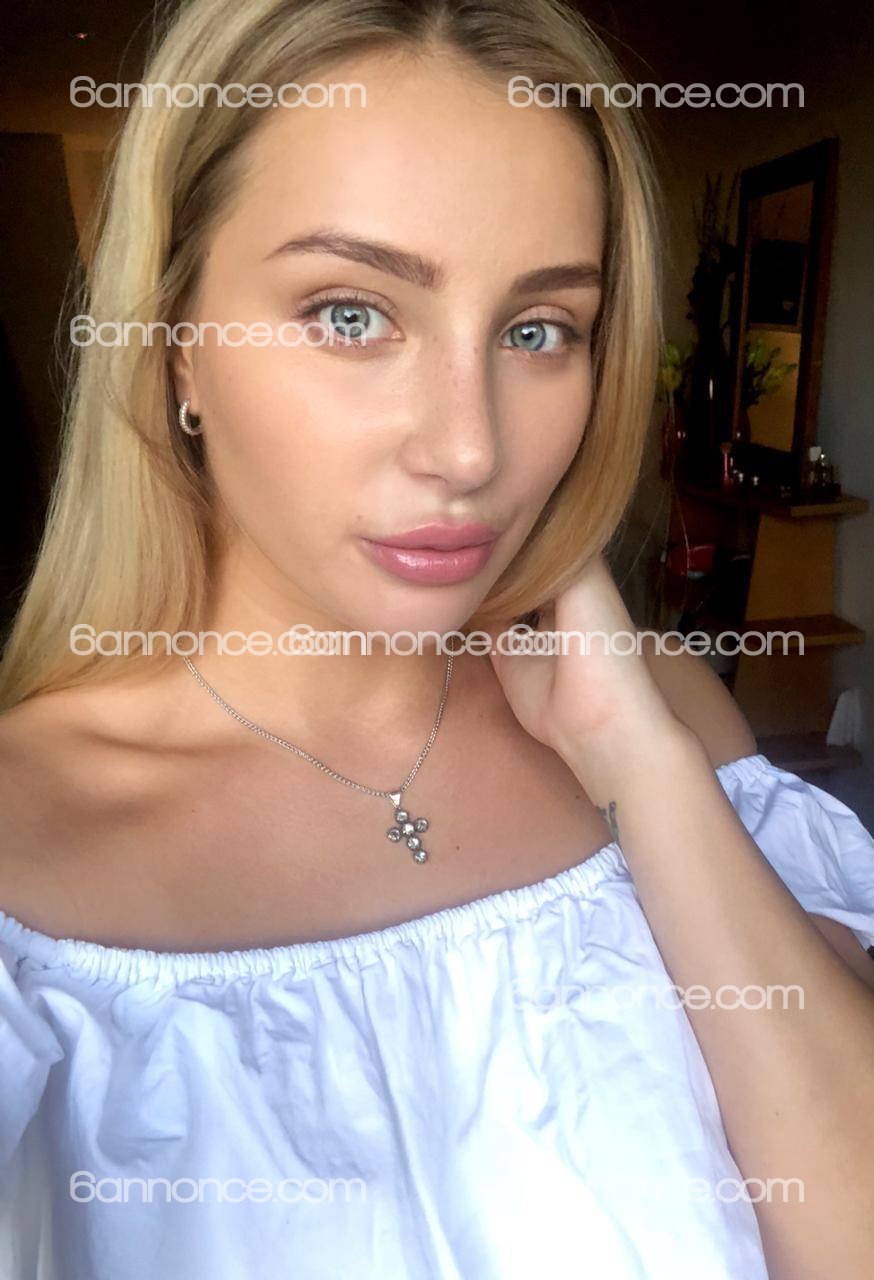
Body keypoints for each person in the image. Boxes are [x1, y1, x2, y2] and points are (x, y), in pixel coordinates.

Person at [1, 1, 873, 1277]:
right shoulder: (26, 863)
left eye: (537, 330)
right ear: (177, 341)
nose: (469, 449)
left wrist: (642, 768)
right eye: (351, 314)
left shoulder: (653, 708)